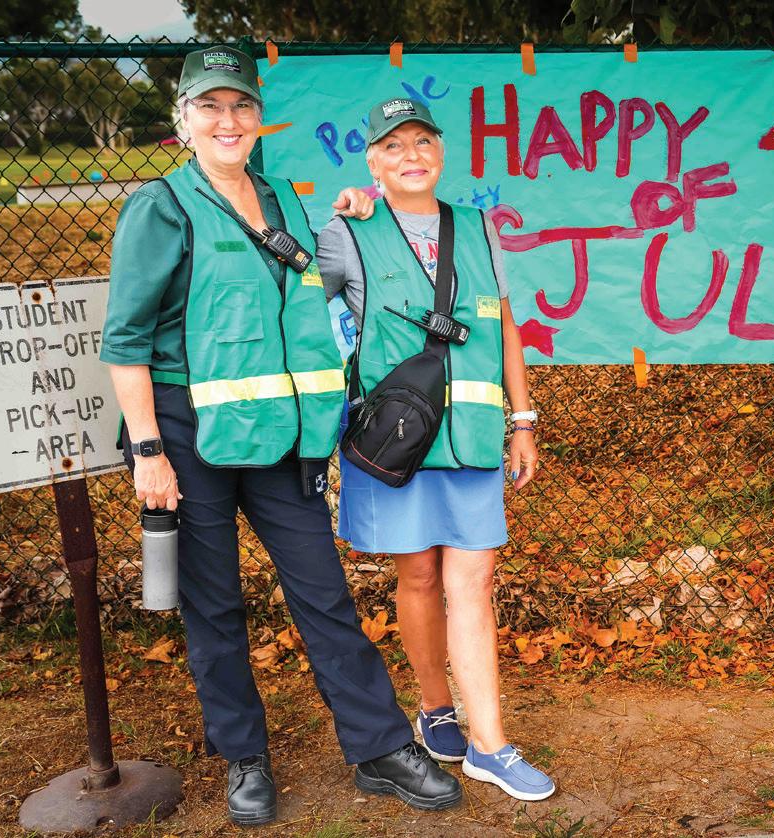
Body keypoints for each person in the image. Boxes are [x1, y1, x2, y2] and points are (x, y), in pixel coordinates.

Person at [100, 47, 462, 826]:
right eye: (209, 106)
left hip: (281, 433)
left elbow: (316, 288)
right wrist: (149, 451)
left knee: (323, 593)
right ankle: (245, 757)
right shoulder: (162, 208)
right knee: (215, 605)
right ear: (184, 121)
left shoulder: (284, 202)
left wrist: (356, 211)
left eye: (240, 105)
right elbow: (125, 342)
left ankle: (380, 748)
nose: (227, 121)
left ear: (258, 118)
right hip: (188, 435)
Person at [316, 97, 554, 801]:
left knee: (473, 582)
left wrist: (523, 419)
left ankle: (491, 745)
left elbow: (506, 327)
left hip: (472, 439)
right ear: (373, 161)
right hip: (395, 444)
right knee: (418, 578)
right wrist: (336, 211)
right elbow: (298, 304)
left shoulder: (477, 227)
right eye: (393, 146)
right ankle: (434, 705)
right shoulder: (346, 232)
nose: (411, 155)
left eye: (422, 141)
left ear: (442, 152)